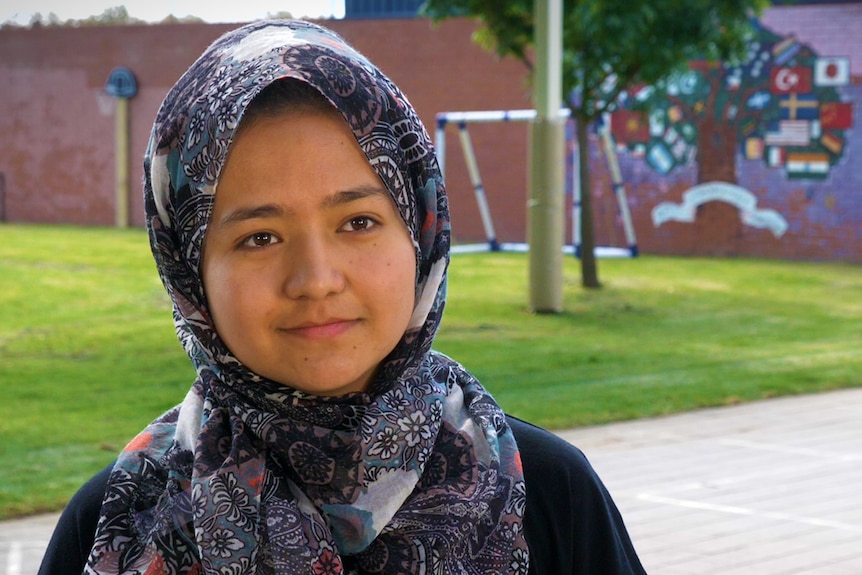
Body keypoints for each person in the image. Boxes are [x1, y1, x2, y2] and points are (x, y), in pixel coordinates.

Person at [39, 19, 646, 575]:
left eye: (357, 222)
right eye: (260, 237)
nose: (316, 279)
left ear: (421, 232)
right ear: (189, 272)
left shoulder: (550, 493)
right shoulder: (115, 521)